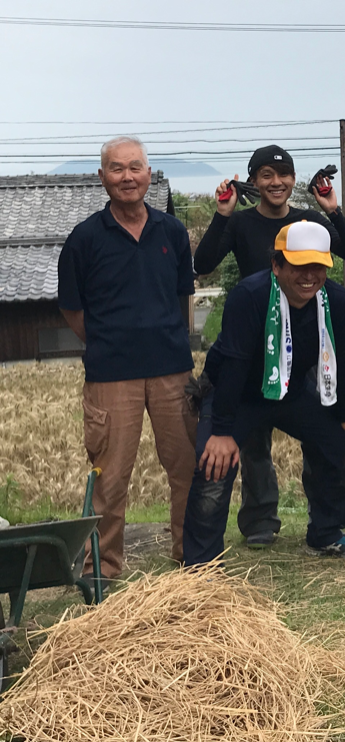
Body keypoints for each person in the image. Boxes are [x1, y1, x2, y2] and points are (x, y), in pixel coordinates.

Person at [193, 145, 345, 549]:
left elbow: (343, 358)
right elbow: (203, 263)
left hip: (297, 358)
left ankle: (325, 531)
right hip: (244, 361)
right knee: (237, 450)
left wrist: (342, 415)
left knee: (333, 442)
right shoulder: (243, 244)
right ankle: (236, 537)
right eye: (266, 175)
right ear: (277, 263)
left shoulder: (312, 232)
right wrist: (221, 428)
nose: (276, 182)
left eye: (283, 174)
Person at [57, 136, 198, 580]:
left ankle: (191, 554)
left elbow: (182, 298)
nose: (127, 177)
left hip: (173, 371)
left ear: (149, 175)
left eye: (135, 167)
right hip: (111, 376)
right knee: (110, 477)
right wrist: (107, 341)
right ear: (102, 177)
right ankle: (104, 568)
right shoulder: (84, 239)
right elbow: (72, 310)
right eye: (116, 169)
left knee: (186, 468)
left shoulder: (171, 232)